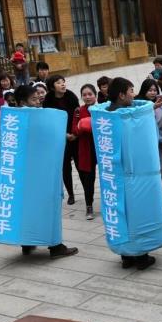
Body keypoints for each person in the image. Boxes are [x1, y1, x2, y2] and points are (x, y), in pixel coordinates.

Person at [11, 84, 79, 259]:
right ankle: (55, 246)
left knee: (27, 206)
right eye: (33, 99)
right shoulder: (35, 117)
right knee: (49, 205)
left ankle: (27, 242)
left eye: (38, 98)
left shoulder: (13, 120)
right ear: (22, 102)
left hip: (25, 174)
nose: (38, 102)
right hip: (43, 172)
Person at [105, 77, 155, 270]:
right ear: (121, 95)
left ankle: (126, 256)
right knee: (137, 211)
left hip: (113, 176)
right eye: (131, 91)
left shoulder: (105, 115)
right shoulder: (128, 117)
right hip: (134, 174)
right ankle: (141, 256)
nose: (134, 95)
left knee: (120, 212)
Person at [44, 75, 80, 205]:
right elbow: (49, 122)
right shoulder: (48, 100)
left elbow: (78, 115)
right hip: (60, 139)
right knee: (65, 167)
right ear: (52, 87)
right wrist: (64, 135)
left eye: (63, 82)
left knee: (80, 166)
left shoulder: (71, 96)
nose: (63, 84)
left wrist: (75, 133)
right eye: (59, 83)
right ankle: (71, 194)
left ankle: (88, 193)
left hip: (75, 136)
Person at [136, 79, 162, 177]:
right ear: (144, 90)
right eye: (150, 90)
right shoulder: (138, 106)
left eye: (155, 90)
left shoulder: (160, 106)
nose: (153, 93)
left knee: (159, 170)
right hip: (144, 144)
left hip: (159, 143)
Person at [73, 84, 98, 220]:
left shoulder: (102, 109)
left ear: (95, 95)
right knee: (88, 179)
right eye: (84, 95)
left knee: (110, 176)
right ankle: (89, 205)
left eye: (90, 94)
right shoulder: (78, 111)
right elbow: (74, 130)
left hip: (103, 148)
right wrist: (82, 125)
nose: (87, 97)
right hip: (87, 149)